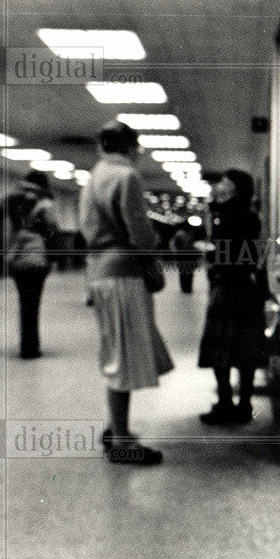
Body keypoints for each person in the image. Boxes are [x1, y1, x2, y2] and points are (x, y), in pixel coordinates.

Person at [80, 121, 173, 466]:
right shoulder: (127, 176)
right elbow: (139, 231)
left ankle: (114, 427)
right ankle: (120, 440)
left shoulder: (93, 178)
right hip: (124, 272)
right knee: (124, 354)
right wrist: (153, 263)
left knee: (116, 348)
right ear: (132, 146)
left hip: (100, 271)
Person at [198, 169, 270, 426]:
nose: (220, 187)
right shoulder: (250, 217)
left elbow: (220, 251)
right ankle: (243, 404)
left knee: (221, 352)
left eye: (225, 184)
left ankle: (226, 402)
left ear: (237, 189)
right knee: (245, 351)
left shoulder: (227, 216)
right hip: (245, 288)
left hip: (227, 287)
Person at [0, 170, 58, 359]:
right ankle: (30, 347)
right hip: (36, 257)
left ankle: (26, 344)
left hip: (17, 257)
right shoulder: (45, 205)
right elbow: (52, 232)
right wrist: (51, 257)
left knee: (24, 302)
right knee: (33, 303)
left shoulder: (14, 203)